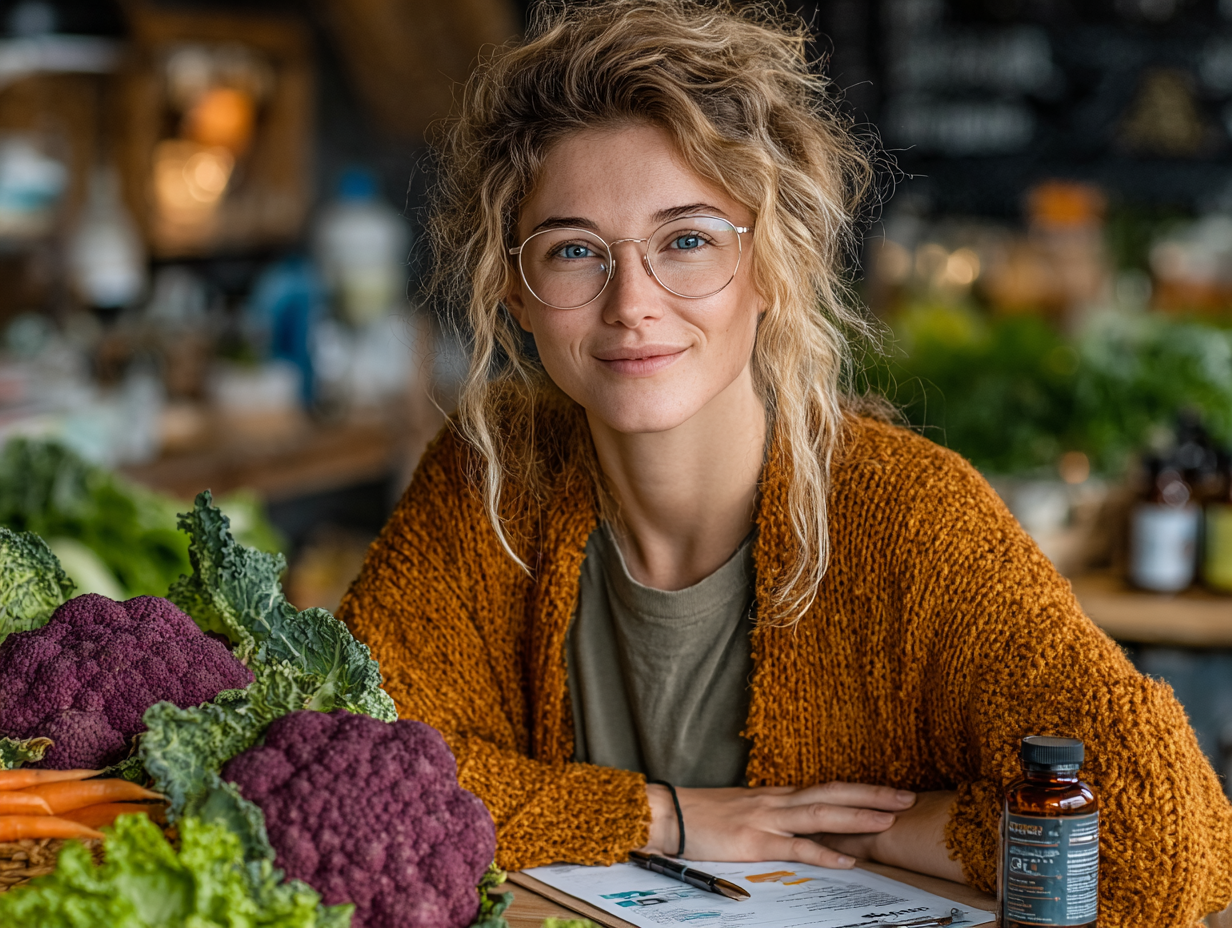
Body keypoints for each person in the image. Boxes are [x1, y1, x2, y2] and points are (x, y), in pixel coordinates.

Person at [337, 1, 1232, 924]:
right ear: (517, 293)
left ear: (773, 263)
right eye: (574, 251)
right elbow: (345, 770)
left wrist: (879, 829)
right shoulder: (490, 477)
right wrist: (665, 816)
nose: (632, 303)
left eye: (687, 240)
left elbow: (1166, 841)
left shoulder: (910, 518)